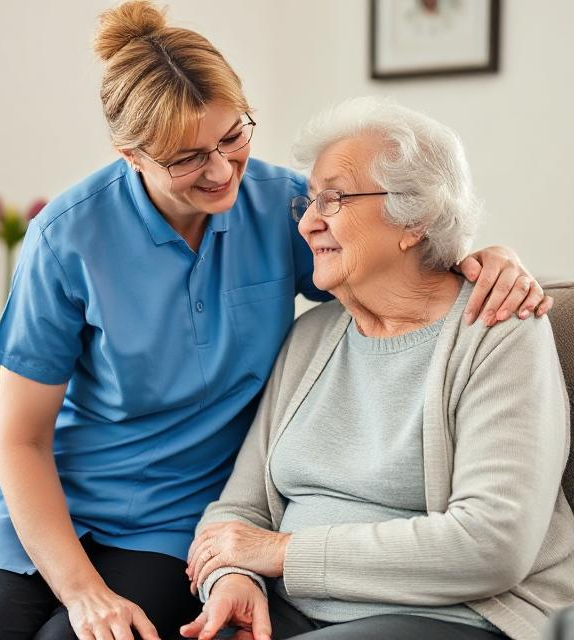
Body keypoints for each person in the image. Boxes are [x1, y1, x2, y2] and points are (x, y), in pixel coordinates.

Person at [0, 2, 552, 639]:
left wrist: (486, 259)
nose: (220, 170)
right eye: (186, 158)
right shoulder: (66, 239)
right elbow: (20, 438)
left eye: (233, 137)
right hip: (47, 504)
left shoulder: (280, 205)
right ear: (131, 155)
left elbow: (393, 249)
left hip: (171, 517)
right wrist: (82, 591)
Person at [183, 98, 574, 640]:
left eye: (334, 198)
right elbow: (238, 509)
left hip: (453, 618)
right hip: (295, 608)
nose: (309, 223)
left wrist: (279, 553)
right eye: (309, 201)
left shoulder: (500, 330)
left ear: (414, 219)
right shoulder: (311, 336)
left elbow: (492, 544)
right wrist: (233, 577)